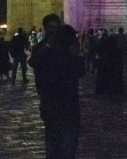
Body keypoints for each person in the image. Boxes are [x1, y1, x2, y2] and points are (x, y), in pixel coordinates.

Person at [32, 23, 85, 159]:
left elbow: (33, 62)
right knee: (68, 149)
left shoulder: (47, 56)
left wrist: (48, 46)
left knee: (52, 147)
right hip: (69, 109)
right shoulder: (71, 59)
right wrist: (76, 54)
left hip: (50, 108)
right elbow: (81, 71)